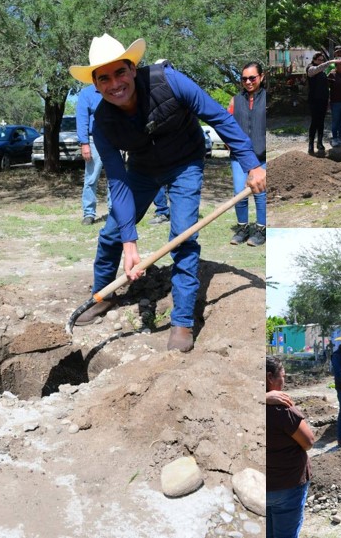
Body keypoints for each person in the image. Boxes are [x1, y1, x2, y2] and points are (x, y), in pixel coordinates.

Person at [67, 34, 266, 351]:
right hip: (142, 170)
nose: (114, 83)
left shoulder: (169, 81)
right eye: (104, 78)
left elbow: (218, 117)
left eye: (120, 72)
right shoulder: (103, 122)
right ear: (95, 84)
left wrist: (253, 164)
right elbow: (117, 180)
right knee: (111, 233)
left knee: (184, 236)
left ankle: (182, 322)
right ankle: (102, 294)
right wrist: (129, 240)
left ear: (132, 69)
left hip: (186, 163)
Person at [266, 356, 315, 538]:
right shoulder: (281, 410)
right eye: (283, 376)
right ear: (270, 377)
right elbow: (309, 442)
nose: (284, 381)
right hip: (288, 485)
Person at [227, 62, 266, 247]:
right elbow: (226, 125)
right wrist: (229, 144)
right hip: (239, 157)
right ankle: (242, 229)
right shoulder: (235, 100)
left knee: (260, 193)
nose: (248, 82)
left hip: (261, 156)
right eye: (244, 79)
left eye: (252, 78)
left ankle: (261, 230)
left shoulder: (267, 98)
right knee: (239, 193)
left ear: (261, 77)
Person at [76, 84, 111, 226]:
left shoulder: (111, 89)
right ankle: (89, 213)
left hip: (114, 139)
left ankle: (114, 211)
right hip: (94, 140)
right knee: (91, 179)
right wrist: (84, 143)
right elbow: (82, 119)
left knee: (115, 178)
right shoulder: (87, 93)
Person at [306, 52, 330, 156]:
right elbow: (315, 71)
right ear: (314, 60)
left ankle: (319, 142)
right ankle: (310, 144)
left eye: (322, 60)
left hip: (323, 100)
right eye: (319, 60)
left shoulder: (323, 72)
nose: (321, 62)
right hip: (314, 100)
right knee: (314, 122)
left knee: (321, 122)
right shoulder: (310, 68)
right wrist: (329, 62)